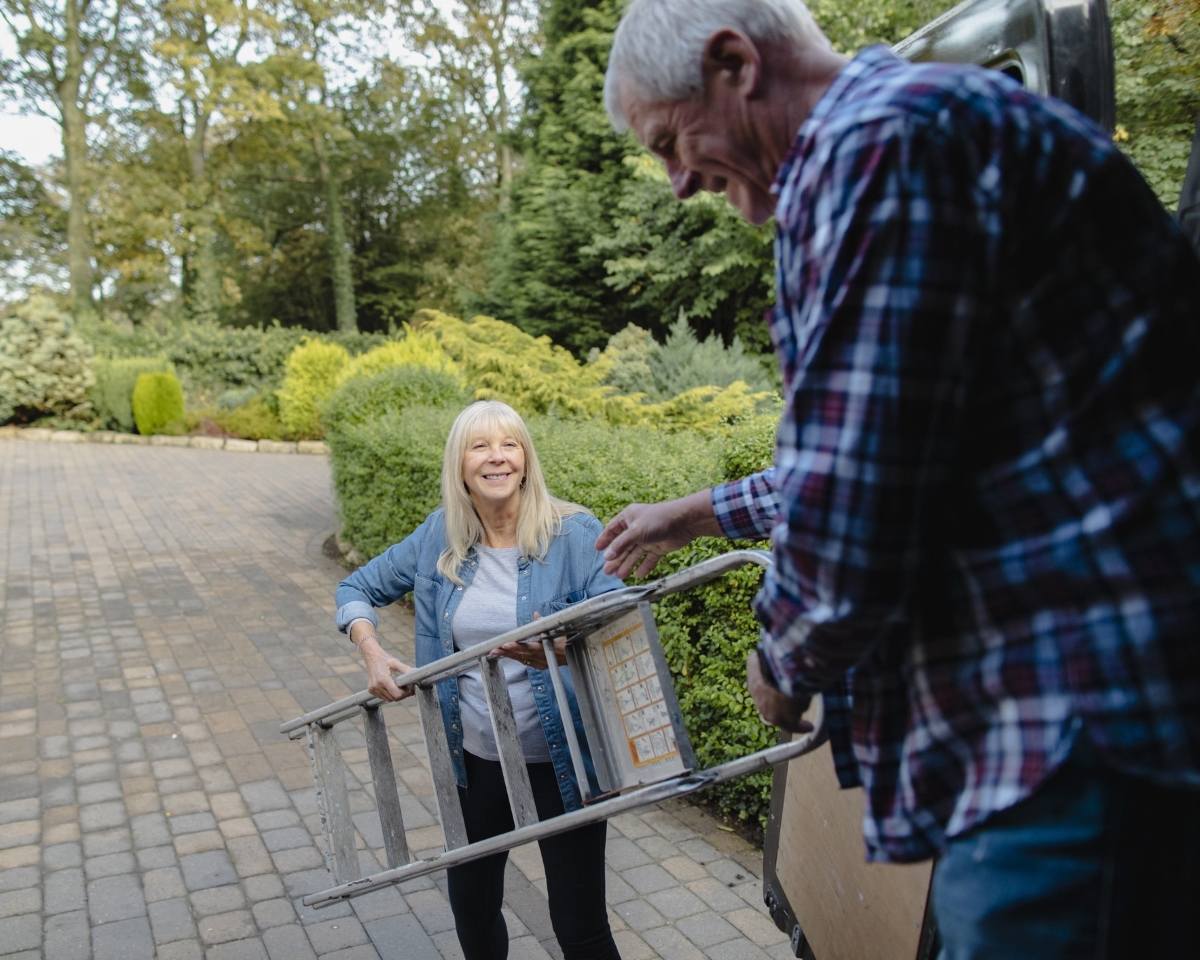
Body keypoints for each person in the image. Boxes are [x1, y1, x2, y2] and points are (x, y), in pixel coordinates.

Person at [597, 0, 1200, 956]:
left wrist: (782, 661)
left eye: (670, 141)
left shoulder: (880, 151)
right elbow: (903, 446)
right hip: (1073, 734)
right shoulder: (914, 133)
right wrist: (700, 512)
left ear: (733, 64)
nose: (675, 184)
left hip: (1071, 731)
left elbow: (858, 498)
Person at [335, 400, 623, 960]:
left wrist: (564, 650)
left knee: (579, 924)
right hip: (473, 760)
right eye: (480, 446)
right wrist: (370, 650)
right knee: (472, 907)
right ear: (460, 465)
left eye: (509, 444)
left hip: (563, 762)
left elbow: (617, 623)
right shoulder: (439, 536)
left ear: (526, 458)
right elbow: (355, 590)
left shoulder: (573, 533)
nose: (497, 458)